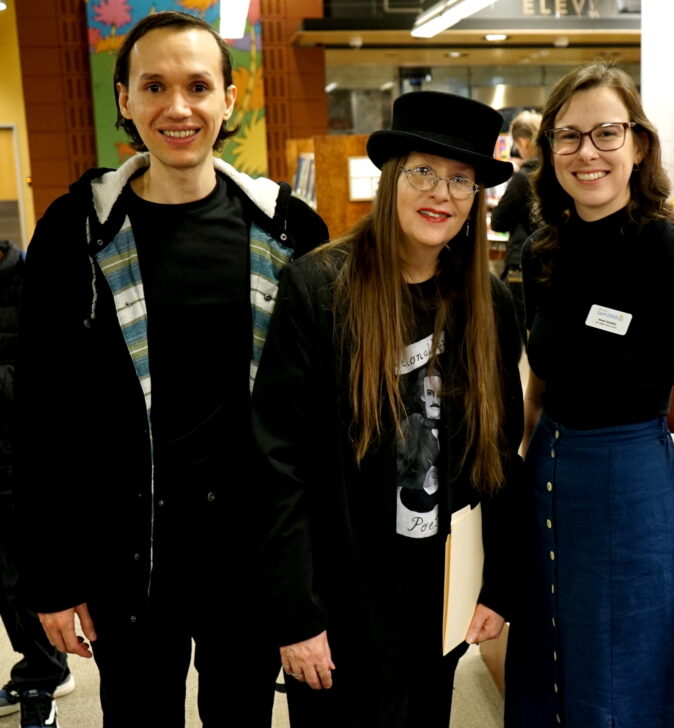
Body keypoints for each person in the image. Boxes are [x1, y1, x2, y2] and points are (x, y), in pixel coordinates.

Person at [13, 11, 327, 728]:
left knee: (241, 717)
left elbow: (318, 419)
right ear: (124, 98)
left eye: (197, 86)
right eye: (154, 86)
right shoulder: (75, 235)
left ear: (229, 98)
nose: (177, 108)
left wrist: (310, 577)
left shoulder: (289, 234)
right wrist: (50, 578)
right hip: (125, 557)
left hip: (248, 555)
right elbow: (39, 418)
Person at [252, 90, 524, 728]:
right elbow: (276, 461)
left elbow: (499, 456)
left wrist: (499, 587)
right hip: (341, 594)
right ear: (392, 177)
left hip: (440, 589)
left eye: (461, 179)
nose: (442, 192)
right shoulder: (321, 287)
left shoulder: (489, 305)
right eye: (424, 171)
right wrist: (297, 616)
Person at [504, 62, 674, 728]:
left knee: (624, 674)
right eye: (568, 136)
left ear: (638, 144)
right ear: (549, 151)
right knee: (551, 672)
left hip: (633, 493)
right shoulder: (543, 253)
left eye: (606, 132)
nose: (587, 152)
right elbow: (539, 390)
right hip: (550, 483)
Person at [0, 240, 75, 728]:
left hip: (12, 454)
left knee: (18, 574)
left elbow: (46, 377)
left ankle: (42, 679)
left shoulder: (24, 282)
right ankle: (38, 668)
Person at [490, 110, 541, 342]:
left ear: (522, 142)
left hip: (521, 264)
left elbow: (499, 220)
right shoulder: (556, 173)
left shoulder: (523, 178)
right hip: (551, 262)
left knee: (520, 333)